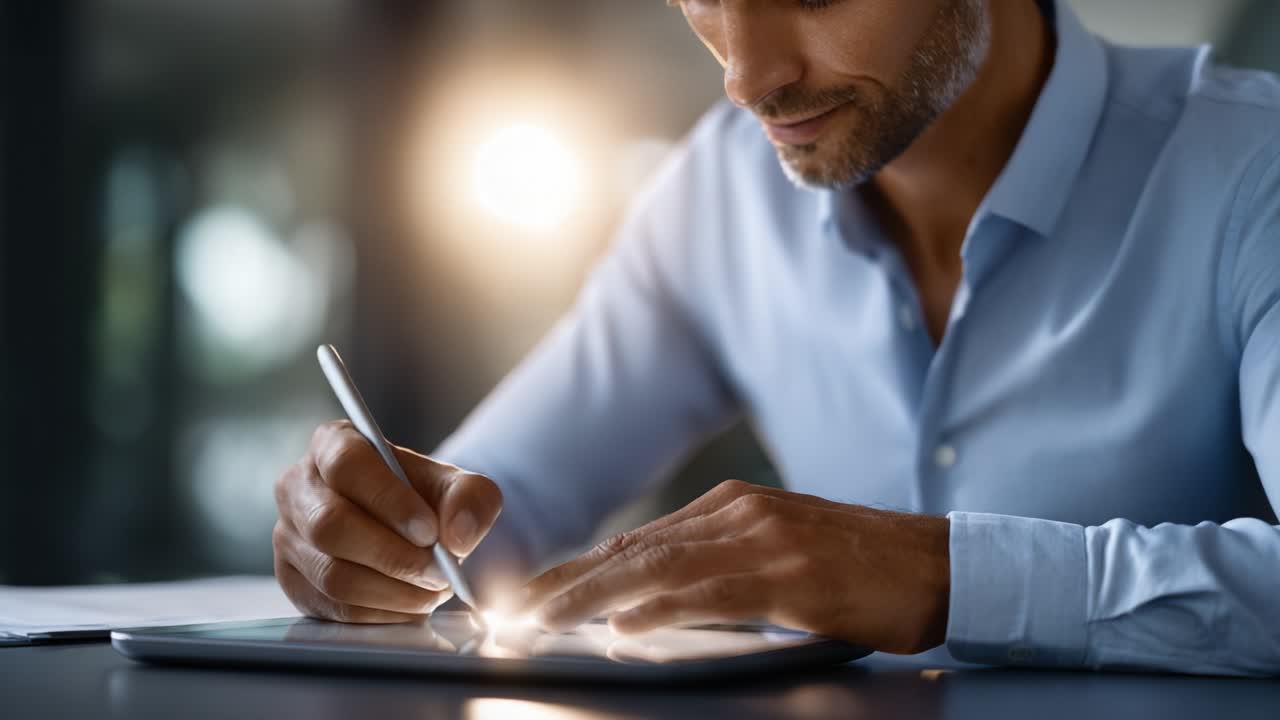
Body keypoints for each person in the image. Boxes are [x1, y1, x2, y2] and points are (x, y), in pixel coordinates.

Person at [272, 0, 1280, 675]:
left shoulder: (1250, 174)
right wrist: (372, 541)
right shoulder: (715, 196)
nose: (746, 77)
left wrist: (936, 575)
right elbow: (486, 518)